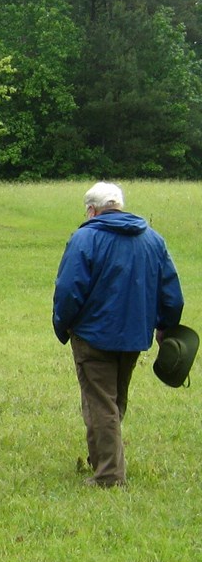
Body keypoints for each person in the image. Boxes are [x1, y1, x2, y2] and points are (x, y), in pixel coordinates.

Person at [52, 182, 183, 487]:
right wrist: (165, 326)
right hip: (134, 335)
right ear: (120, 206)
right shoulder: (153, 239)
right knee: (113, 400)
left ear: (91, 210)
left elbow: (69, 289)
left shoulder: (85, 238)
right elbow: (173, 296)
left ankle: (109, 476)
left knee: (101, 403)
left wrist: (63, 324)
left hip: (93, 334)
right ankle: (102, 460)